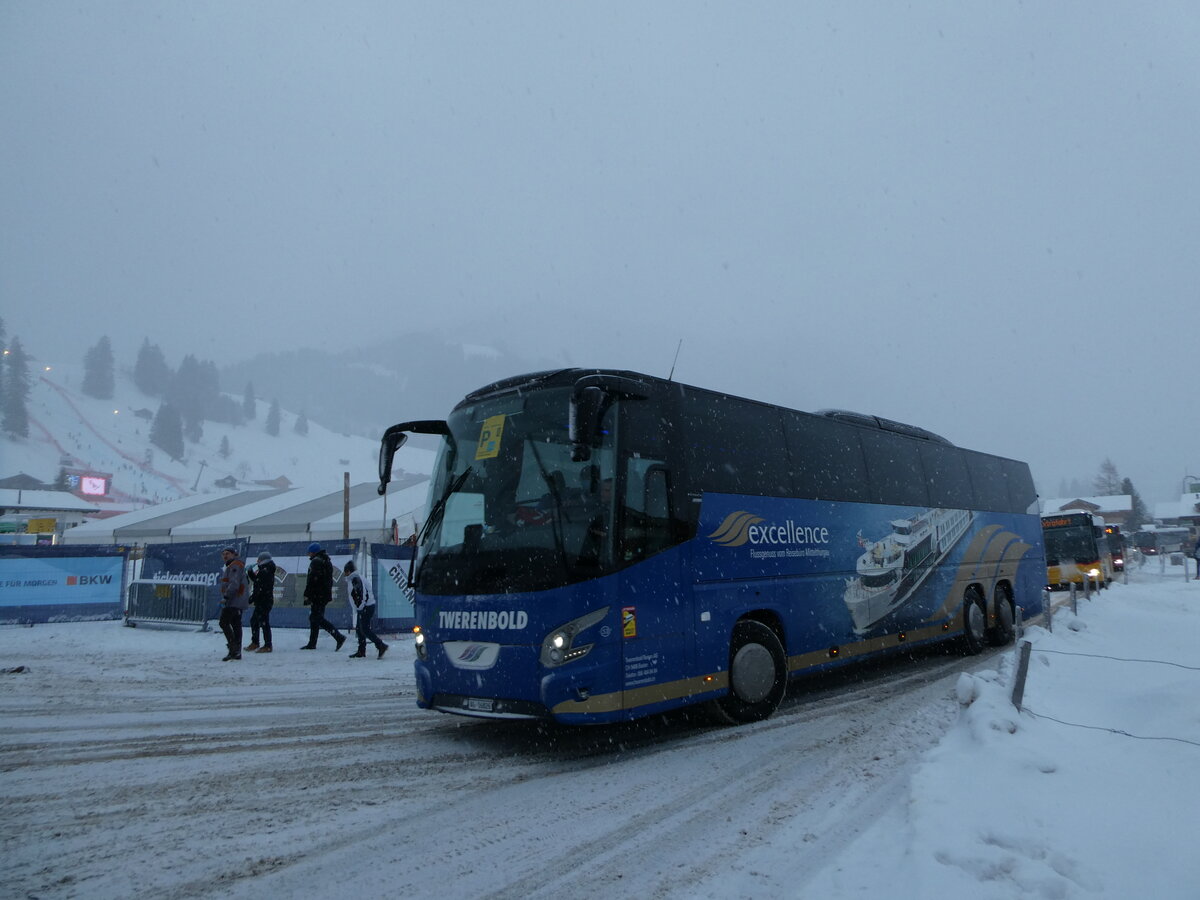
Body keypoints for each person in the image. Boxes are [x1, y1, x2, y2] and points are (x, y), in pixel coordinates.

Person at [301, 542, 346, 651]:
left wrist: (308, 595)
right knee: (315, 618)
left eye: (310, 553)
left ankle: (338, 637)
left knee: (316, 618)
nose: (309, 555)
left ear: (314, 552)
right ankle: (312, 643)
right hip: (324, 594)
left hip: (318, 595)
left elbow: (312, 581)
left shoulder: (316, 562)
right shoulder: (326, 560)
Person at [343, 560, 388, 659]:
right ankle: (361, 651)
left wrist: (360, 607)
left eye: (345, 571)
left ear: (349, 571)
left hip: (366, 607)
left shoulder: (355, 579)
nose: (344, 574)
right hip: (366, 606)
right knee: (360, 629)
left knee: (365, 629)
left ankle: (381, 645)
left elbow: (361, 594)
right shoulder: (355, 578)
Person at [217, 546, 249, 661]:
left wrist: (226, 596)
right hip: (238, 601)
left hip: (234, 601)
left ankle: (233, 648)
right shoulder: (234, 566)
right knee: (236, 625)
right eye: (223, 554)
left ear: (234, 554)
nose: (225, 556)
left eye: (228, 553)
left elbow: (234, 584)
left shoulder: (235, 566)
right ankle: (236, 652)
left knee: (224, 622)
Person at [244, 550, 276, 653]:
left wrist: (252, 598)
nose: (257, 562)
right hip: (265, 600)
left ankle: (267, 645)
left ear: (262, 560)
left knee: (263, 622)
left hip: (264, 601)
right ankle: (256, 642)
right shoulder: (266, 570)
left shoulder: (265, 570)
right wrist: (251, 573)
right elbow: (259, 581)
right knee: (256, 621)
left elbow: (260, 587)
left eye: (258, 560)